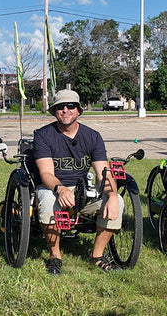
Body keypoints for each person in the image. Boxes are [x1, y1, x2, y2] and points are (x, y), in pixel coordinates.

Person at [33, 89, 121, 275]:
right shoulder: (43, 135)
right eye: (60, 107)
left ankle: (97, 255)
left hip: (83, 190)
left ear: (78, 110)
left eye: (70, 106)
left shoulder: (93, 136)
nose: (65, 110)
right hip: (54, 187)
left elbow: (102, 173)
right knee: (49, 202)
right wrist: (61, 189)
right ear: (54, 111)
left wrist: (112, 195)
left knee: (117, 201)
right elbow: (46, 173)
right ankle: (55, 256)